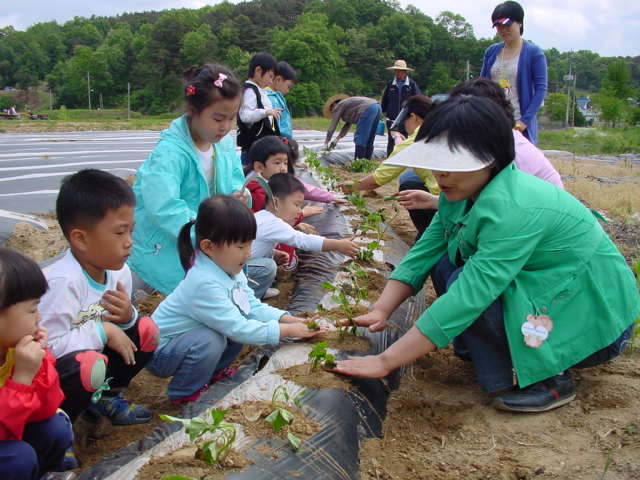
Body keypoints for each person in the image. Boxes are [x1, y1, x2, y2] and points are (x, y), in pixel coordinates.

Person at [333, 95, 639, 413]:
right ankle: (494, 349)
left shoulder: (515, 207)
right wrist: (381, 310)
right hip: (550, 290)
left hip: (598, 323)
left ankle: (550, 380)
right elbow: (424, 252)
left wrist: (385, 361)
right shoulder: (462, 193)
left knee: (465, 282)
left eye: (454, 163)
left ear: (491, 158)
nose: (441, 174)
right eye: (437, 162)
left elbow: (473, 294)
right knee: (444, 263)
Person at [147, 195, 325, 404]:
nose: (249, 253)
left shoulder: (229, 269)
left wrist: (289, 320)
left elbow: (250, 307)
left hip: (187, 341)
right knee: (213, 339)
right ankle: (184, 393)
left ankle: (212, 373)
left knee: (229, 329)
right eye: (241, 247)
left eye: (250, 245)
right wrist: (287, 332)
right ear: (209, 247)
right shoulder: (203, 282)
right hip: (161, 353)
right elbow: (238, 327)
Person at [39, 170, 158, 425]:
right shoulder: (63, 283)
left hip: (94, 358)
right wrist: (103, 332)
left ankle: (107, 397)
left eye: (131, 231)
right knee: (87, 365)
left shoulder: (119, 273)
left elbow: (120, 327)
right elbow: (47, 348)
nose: (129, 242)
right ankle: (59, 422)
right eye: (119, 233)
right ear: (80, 239)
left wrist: (128, 318)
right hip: (59, 372)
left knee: (146, 330)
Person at [129, 64, 249, 295]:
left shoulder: (222, 145)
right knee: (155, 293)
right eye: (218, 118)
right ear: (193, 110)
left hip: (207, 241)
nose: (225, 127)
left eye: (231, 119)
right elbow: (164, 207)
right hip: (164, 245)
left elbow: (235, 183)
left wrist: (242, 198)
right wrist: (208, 236)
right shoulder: (170, 153)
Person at [398, 78, 563, 215]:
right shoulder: (476, 143)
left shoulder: (512, 155)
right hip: (497, 210)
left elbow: (501, 213)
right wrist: (436, 202)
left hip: (524, 217)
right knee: (411, 180)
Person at [0, 248, 77, 480]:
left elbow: (46, 406)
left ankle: (40, 474)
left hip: (9, 430)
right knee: (18, 458)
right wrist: (21, 380)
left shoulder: (15, 350)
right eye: (32, 309)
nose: (38, 318)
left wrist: (40, 362)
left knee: (56, 428)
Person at [339, 95, 438, 240]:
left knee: (408, 188)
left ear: (414, 117)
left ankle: (430, 232)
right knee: (410, 181)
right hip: (460, 197)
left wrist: (352, 186)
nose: (404, 126)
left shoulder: (413, 141)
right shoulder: (438, 129)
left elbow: (379, 178)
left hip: (445, 201)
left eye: (405, 121)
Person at [250, 173, 359, 270]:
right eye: (296, 205)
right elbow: (303, 240)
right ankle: (251, 291)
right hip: (240, 269)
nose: (299, 211)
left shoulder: (261, 216)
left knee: (268, 262)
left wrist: (273, 253)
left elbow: (255, 247)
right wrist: (338, 245)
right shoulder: (273, 224)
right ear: (276, 203)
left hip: (239, 264)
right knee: (268, 268)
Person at [480, 1, 547, 144]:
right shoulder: (491, 52)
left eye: (507, 25)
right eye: (498, 26)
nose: (503, 30)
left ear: (520, 23)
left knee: (520, 164)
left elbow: (541, 89)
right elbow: (481, 85)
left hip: (518, 123)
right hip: (492, 121)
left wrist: (525, 121)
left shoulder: (534, 53)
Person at [237, 52, 281, 167]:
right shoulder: (250, 90)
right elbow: (245, 115)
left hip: (260, 146)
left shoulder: (258, 90)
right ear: (258, 71)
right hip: (253, 147)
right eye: (270, 76)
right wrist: (266, 112)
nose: (271, 81)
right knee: (253, 179)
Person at [381, 59, 421, 156]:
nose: (398, 73)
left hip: (407, 120)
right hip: (392, 119)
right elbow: (385, 100)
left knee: (406, 141)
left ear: (405, 72)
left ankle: (404, 162)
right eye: (396, 70)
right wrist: (383, 112)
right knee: (392, 141)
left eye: (400, 71)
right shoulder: (391, 85)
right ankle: (390, 161)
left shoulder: (411, 85)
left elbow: (418, 100)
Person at [323, 95, 382, 160]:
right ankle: (366, 162)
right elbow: (347, 126)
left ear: (334, 104)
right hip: (377, 107)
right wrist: (337, 139)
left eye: (332, 109)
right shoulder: (349, 106)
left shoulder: (339, 105)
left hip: (368, 109)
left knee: (360, 137)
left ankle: (358, 163)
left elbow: (333, 124)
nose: (334, 111)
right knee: (370, 137)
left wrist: (326, 142)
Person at [266, 61, 296, 141]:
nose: (288, 91)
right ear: (278, 80)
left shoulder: (275, 97)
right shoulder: (272, 99)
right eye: (288, 87)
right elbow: (274, 127)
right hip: (278, 143)